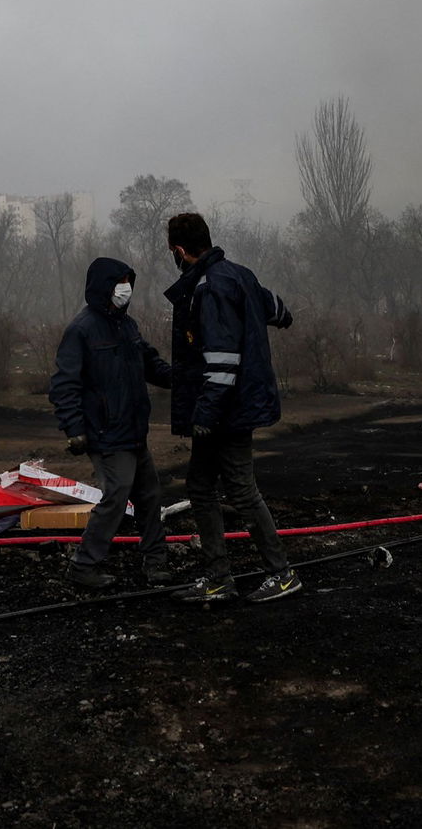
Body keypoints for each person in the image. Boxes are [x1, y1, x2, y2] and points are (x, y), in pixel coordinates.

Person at [164, 212, 302, 604]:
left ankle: (282, 574)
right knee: (201, 487)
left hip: (226, 409)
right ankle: (218, 578)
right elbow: (280, 311)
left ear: (179, 250)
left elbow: (223, 362)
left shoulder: (210, 288)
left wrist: (204, 416)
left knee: (241, 490)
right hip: (230, 405)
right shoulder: (239, 274)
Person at [48, 257, 175, 589]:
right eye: (120, 281)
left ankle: (156, 562)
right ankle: (83, 566)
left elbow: (149, 362)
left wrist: (180, 377)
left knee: (149, 495)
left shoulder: (127, 325)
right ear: (103, 286)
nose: (126, 288)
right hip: (105, 433)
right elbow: (65, 383)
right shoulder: (81, 330)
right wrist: (74, 430)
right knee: (116, 496)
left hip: (133, 430)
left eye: (128, 281)